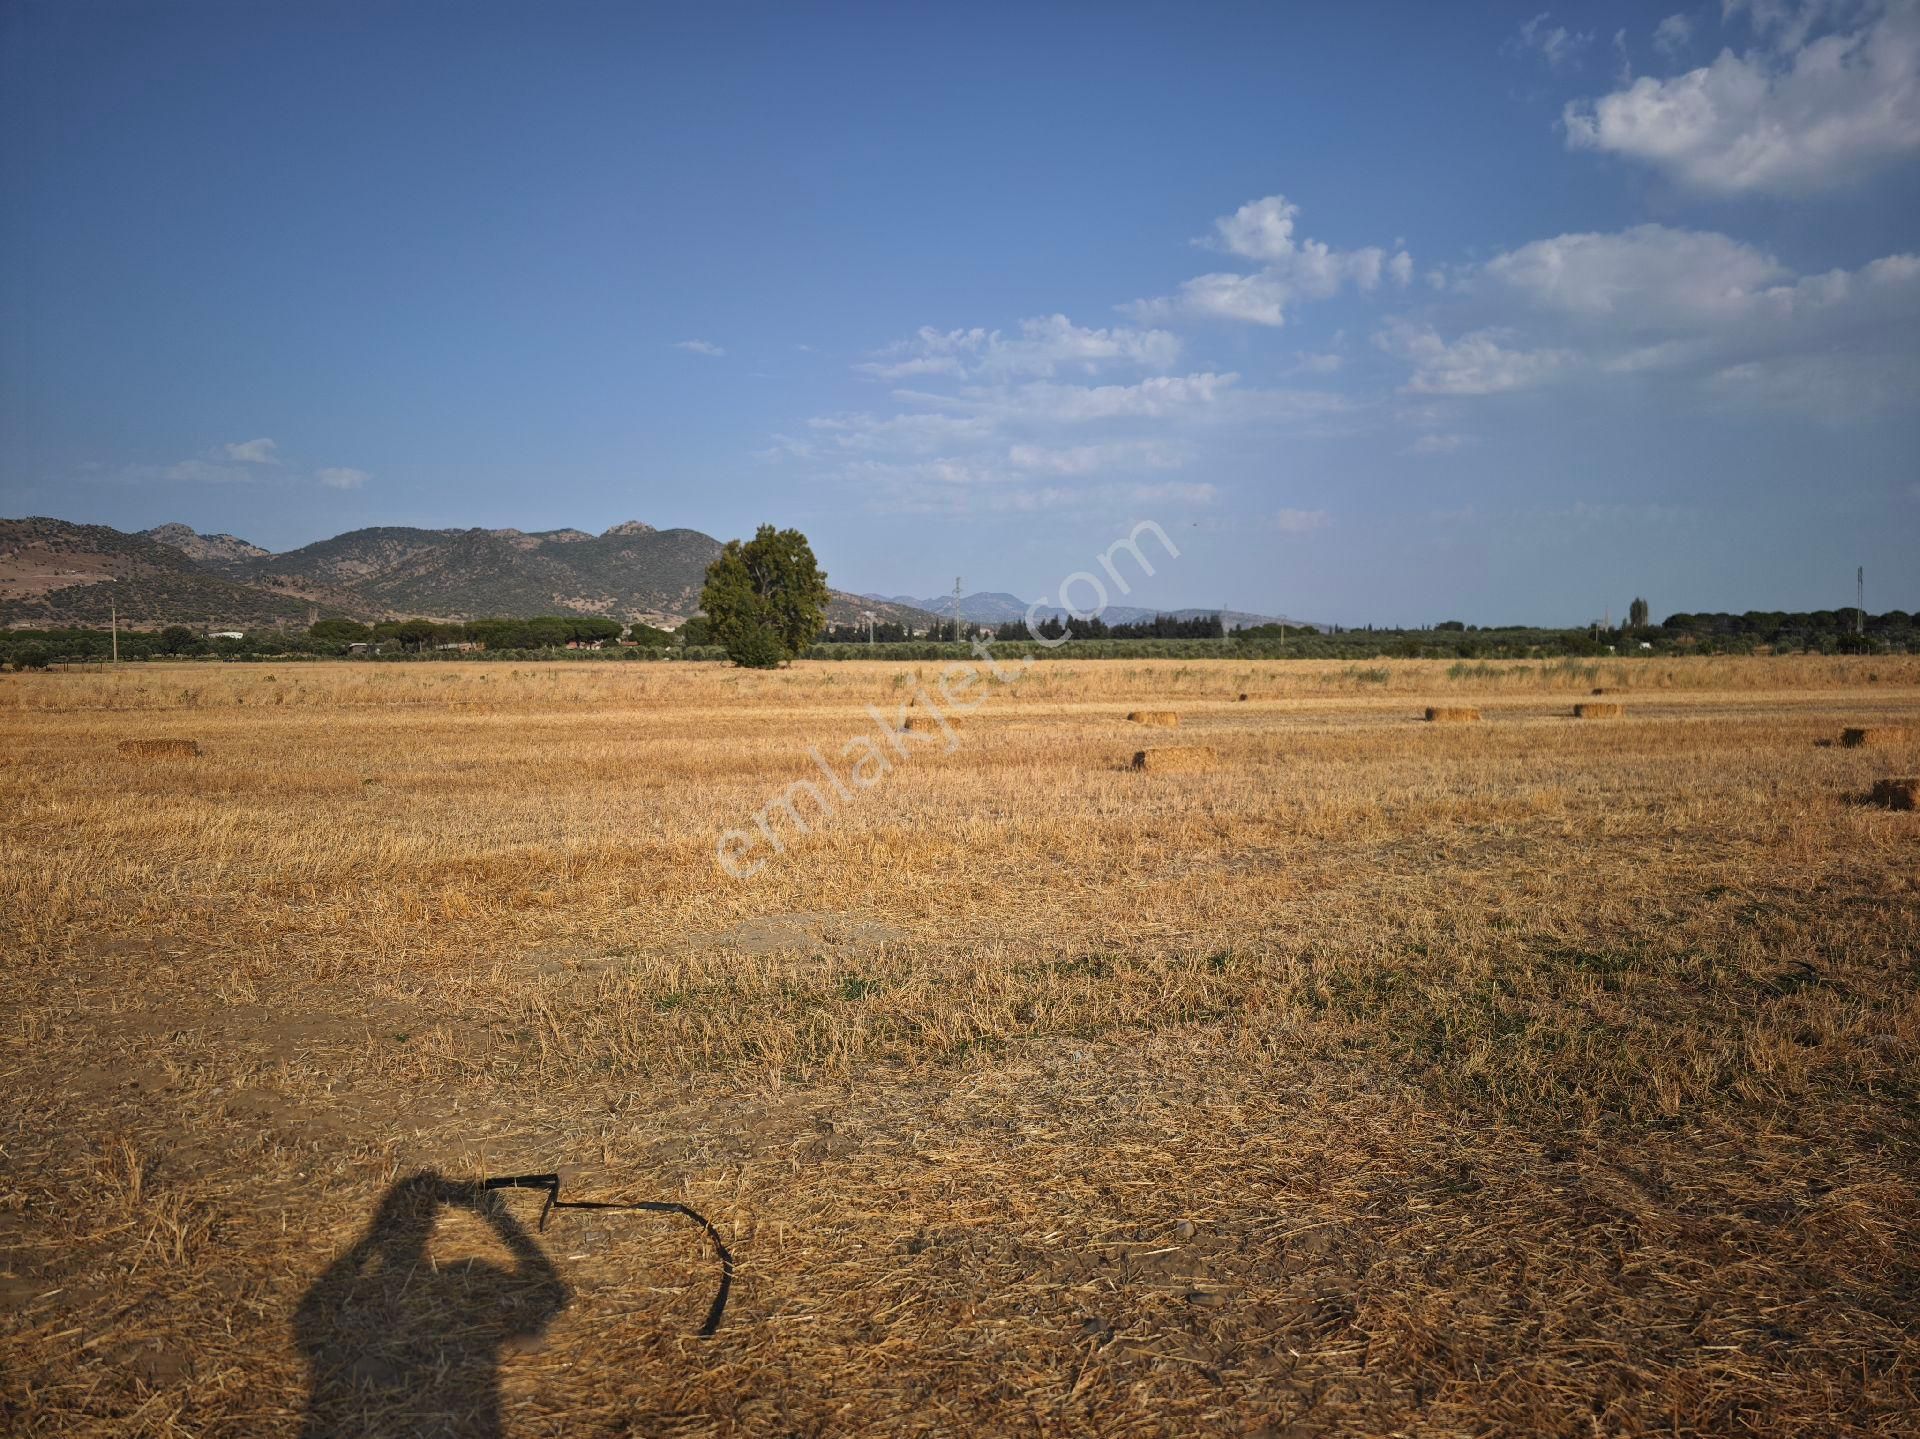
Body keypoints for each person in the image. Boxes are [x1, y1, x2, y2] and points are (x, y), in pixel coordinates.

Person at [295, 1171, 567, 1438]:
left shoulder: (367, 1298)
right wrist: (498, 1217)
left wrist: (371, 1241)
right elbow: (553, 1293)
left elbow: (311, 1320)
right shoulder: (472, 1279)